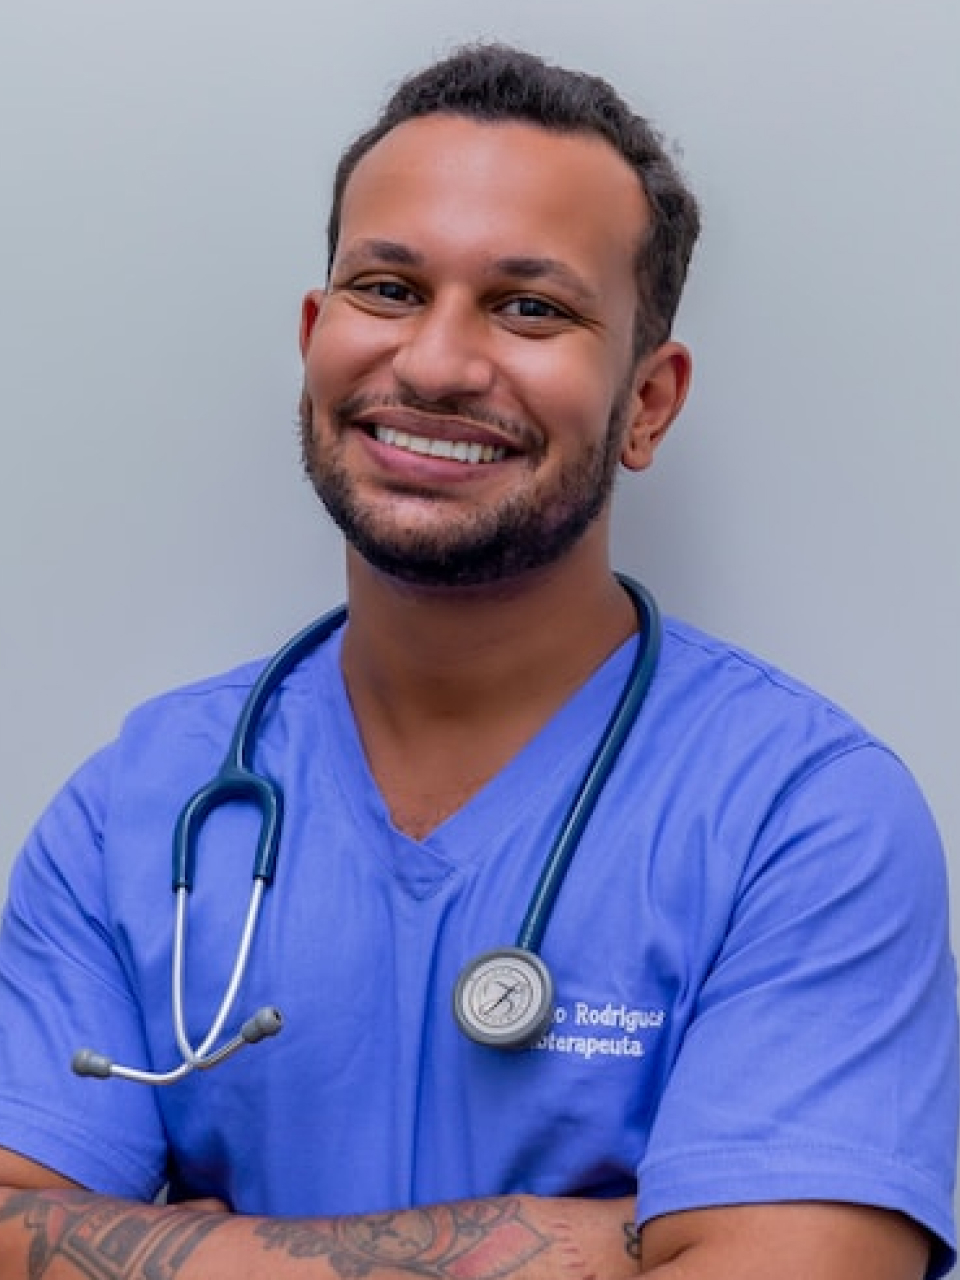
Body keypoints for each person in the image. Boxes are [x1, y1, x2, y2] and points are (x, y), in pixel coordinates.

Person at [0, 41, 955, 1280]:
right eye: (388, 287)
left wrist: (181, 1247)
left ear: (648, 402)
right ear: (315, 336)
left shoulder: (805, 817)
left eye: (530, 307)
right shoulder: (138, 806)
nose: (437, 363)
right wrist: (601, 1242)